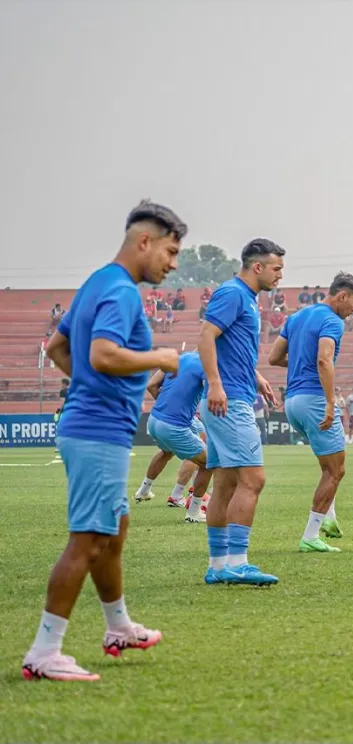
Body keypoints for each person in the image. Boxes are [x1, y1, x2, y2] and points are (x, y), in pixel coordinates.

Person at [23, 199, 185, 682]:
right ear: (145, 242)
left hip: (94, 426)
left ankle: (119, 627)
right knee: (88, 539)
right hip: (96, 432)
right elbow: (104, 353)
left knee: (113, 530)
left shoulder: (97, 281)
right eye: (171, 252)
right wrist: (160, 357)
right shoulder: (123, 293)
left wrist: (94, 389)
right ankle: (44, 652)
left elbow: (57, 347)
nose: (172, 264)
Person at [198, 238, 284, 587]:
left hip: (233, 394)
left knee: (226, 483)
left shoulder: (245, 298)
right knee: (254, 479)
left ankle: (218, 567)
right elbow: (206, 337)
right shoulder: (233, 293)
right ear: (258, 267)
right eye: (277, 268)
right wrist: (216, 384)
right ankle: (238, 562)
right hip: (228, 401)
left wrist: (257, 376)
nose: (280, 275)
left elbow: (231, 348)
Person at [270, 272, 353, 553]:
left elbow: (274, 358)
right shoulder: (332, 321)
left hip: (293, 403)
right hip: (313, 401)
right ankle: (310, 536)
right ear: (342, 296)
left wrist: (300, 363)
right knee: (336, 470)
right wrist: (329, 401)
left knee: (327, 466)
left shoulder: (297, 317)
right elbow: (324, 360)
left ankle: (330, 520)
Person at [134, 351, 212, 524]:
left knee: (166, 453)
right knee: (208, 463)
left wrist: (167, 407)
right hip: (173, 425)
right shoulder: (207, 364)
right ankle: (193, 511)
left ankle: (144, 490)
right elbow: (211, 398)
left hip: (154, 419)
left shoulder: (179, 357)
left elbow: (152, 385)